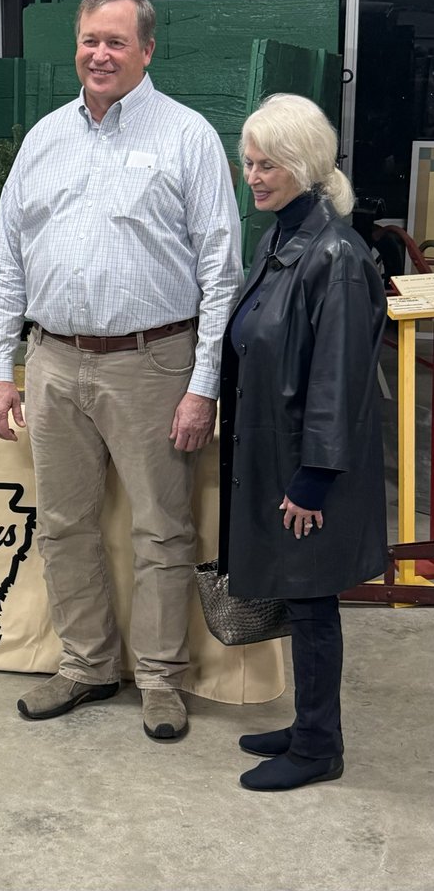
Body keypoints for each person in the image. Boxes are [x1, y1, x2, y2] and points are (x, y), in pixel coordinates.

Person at [0, 0, 242, 741]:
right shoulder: (44, 138)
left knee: (162, 530)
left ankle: (160, 678)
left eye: (117, 42)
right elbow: (9, 262)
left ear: (147, 50)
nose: (100, 54)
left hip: (152, 363)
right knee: (63, 525)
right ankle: (88, 664)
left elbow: (221, 272)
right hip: (53, 362)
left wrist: (203, 386)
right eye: (90, 40)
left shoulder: (187, 136)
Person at [220, 93, 387, 792]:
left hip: (310, 466)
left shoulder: (335, 256)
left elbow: (339, 381)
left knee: (314, 602)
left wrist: (313, 481)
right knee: (298, 594)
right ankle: (308, 723)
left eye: (268, 164)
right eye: (249, 163)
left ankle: (319, 747)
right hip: (279, 452)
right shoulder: (281, 240)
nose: (253, 176)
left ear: (305, 164)